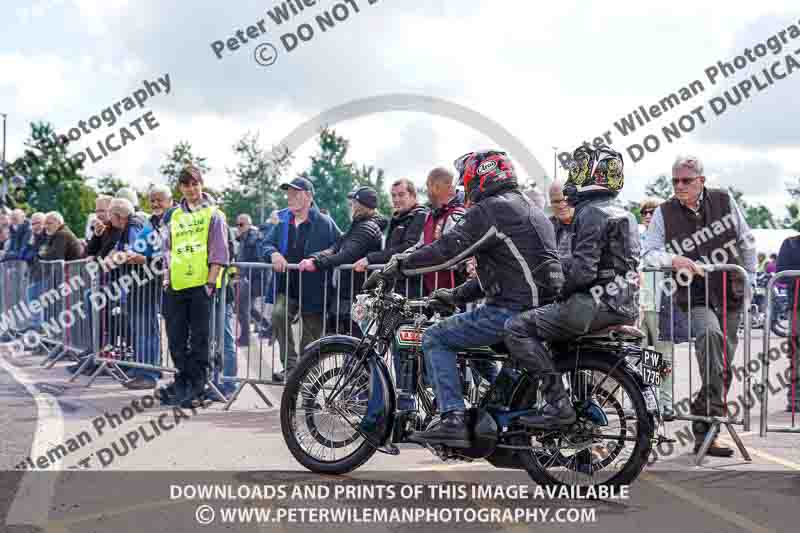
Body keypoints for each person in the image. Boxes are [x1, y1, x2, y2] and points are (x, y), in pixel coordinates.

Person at [380, 150, 564, 447]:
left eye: (468, 178)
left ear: (481, 175)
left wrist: (398, 266)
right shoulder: (525, 206)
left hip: (512, 311)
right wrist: (454, 295)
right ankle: (498, 424)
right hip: (538, 309)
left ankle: (452, 418)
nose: (466, 186)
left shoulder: (492, 209)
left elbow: (446, 250)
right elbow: (502, 275)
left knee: (436, 337)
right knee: (473, 344)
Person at [505, 145, 639, 429]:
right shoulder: (624, 212)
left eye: (576, 171)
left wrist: (555, 293)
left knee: (516, 328)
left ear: (590, 174)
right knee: (558, 343)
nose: (570, 180)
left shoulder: (590, 212)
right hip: (622, 305)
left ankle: (557, 404)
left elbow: (583, 272)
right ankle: (571, 410)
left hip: (591, 307)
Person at [643, 155, 756, 457]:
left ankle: (707, 429)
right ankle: (707, 427)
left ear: (701, 181)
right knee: (710, 338)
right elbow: (649, 253)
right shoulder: (664, 212)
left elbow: (747, 242)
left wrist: (750, 283)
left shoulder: (724, 200)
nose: (679, 186)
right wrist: (673, 260)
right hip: (694, 296)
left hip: (730, 293)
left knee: (724, 366)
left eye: (686, 180)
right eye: (675, 180)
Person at [159, 165, 230, 407]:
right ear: (180, 187)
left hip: (202, 286)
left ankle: (197, 388)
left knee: (200, 340)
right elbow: (167, 250)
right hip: (176, 286)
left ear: (202, 184)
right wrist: (166, 279)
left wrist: (210, 283)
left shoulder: (214, 214)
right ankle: (184, 382)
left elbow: (219, 252)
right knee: (176, 340)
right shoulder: (173, 216)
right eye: (186, 185)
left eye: (195, 184)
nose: (191, 189)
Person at [262, 177, 340, 382]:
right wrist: (273, 254)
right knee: (278, 315)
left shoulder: (325, 222)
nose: (290, 198)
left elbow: (339, 246)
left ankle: (304, 377)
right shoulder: (283, 221)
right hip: (287, 285)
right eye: (288, 194)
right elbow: (266, 243)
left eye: (295, 194)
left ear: (308, 197)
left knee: (311, 337)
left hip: (315, 290)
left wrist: (319, 257)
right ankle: (290, 367)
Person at [301, 186, 387, 335]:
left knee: (359, 340)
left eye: (352, 204)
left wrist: (317, 264)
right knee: (351, 341)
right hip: (351, 293)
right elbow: (335, 247)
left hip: (360, 292)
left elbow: (347, 254)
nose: (350, 207)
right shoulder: (357, 225)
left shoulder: (367, 227)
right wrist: (314, 257)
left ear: (360, 206)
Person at [354, 178, 428, 297]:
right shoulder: (397, 218)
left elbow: (408, 247)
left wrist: (370, 258)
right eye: (393, 195)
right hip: (397, 284)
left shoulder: (420, 215)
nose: (396, 199)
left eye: (401, 195)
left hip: (412, 285)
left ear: (413, 195)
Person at [638, 197, 675, 418]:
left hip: (663, 302)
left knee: (664, 355)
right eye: (645, 212)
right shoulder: (637, 235)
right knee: (643, 355)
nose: (649, 215)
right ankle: (648, 401)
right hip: (640, 302)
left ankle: (666, 402)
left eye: (653, 211)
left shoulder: (668, 239)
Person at [419, 167, 467, 295]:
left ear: (437, 187)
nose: (427, 191)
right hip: (433, 291)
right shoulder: (430, 216)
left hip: (454, 292)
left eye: (428, 185)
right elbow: (420, 245)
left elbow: (449, 248)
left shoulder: (457, 214)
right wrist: (401, 259)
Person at [235, 213, 269, 346]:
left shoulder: (254, 237)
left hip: (253, 278)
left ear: (249, 224)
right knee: (246, 308)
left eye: (241, 224)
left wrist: (248, 276)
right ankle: (269, 327)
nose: (239, 227)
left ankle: (245, 338)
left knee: (242, 308)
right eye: (237, 224)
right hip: (248, 278)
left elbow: (260, 259)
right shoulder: (244, 237)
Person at [776, 235, 800, 412]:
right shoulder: (790, 244)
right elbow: (781, 274)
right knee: (796, 354)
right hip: (797, 306)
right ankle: (795, 399)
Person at [85, 195, 122, 260]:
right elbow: (88, 252)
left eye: (102, 211)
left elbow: (105, 253)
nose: (98, 215)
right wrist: (97, 235)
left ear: (112, 210)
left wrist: (93, 258)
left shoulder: (118, 227)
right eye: (96, 211)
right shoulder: (103, 227)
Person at [548, 179, 575, 261]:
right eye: (556, 201)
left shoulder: (589, 224)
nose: (561, 205)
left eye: (566, 200)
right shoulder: (546, 227)